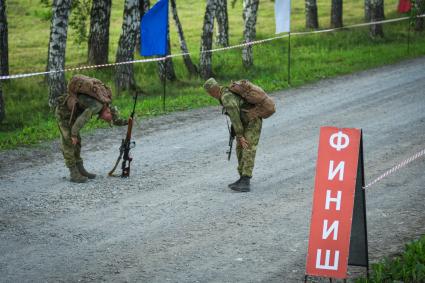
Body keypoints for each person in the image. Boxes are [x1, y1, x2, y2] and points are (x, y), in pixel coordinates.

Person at [55, 79, 127, 183]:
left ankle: (80, 169)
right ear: (107, 111)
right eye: (108, 119)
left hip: (72, 114)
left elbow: (115, 119)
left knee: (77, 143)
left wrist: (127, 122)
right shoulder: (97, 106)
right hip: (63, 112)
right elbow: (83, 119)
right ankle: (73, 172)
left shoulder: (105, 102)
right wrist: (74, 134)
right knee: (69, 141)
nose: (106, 120)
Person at [203, 78, 263, 192]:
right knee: (240, 148)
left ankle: (246, 179)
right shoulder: (224, 93)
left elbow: (235, 116)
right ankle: (242, 177)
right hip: (246, 121)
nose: (211, 95)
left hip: (253, 120)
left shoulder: (226, 97)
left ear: (212, 90)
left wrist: (239, 135)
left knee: (248, 147)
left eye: (210, 93)